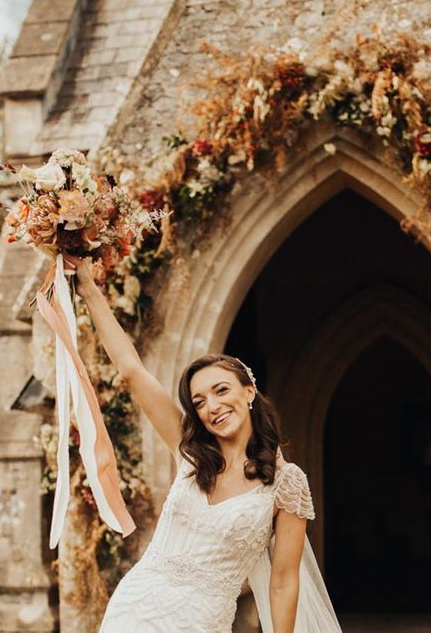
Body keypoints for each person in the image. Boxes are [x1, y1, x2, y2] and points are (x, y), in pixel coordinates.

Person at [63, 254, 341, 633]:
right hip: (136, 606)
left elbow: (283, 580)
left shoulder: (286, 483)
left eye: (221, 390)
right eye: (199, 401)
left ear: (249, 392)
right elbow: (131, 371)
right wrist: (89, 290)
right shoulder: (190, 452)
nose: (212, 406)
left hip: (202, 619)